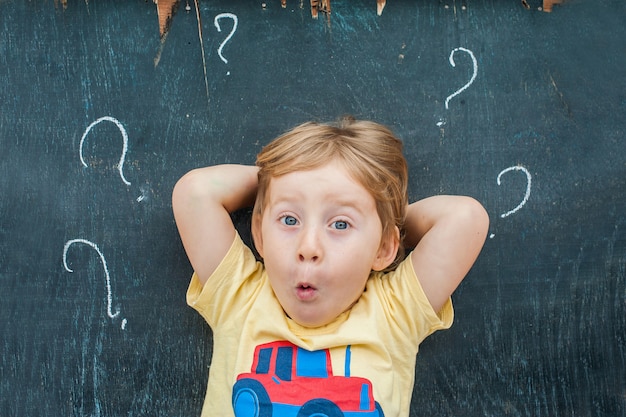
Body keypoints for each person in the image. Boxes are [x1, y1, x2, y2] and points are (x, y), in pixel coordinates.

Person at [172, 117, 489, 417]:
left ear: (383, 248)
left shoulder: (395, 314)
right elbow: (196, 193)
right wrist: (275, 178)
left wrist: (382, 214)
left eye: (340, 224)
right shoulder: (239, 299)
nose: (308, 247)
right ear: (259, 233)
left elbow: (465, 219)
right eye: (289, 219)